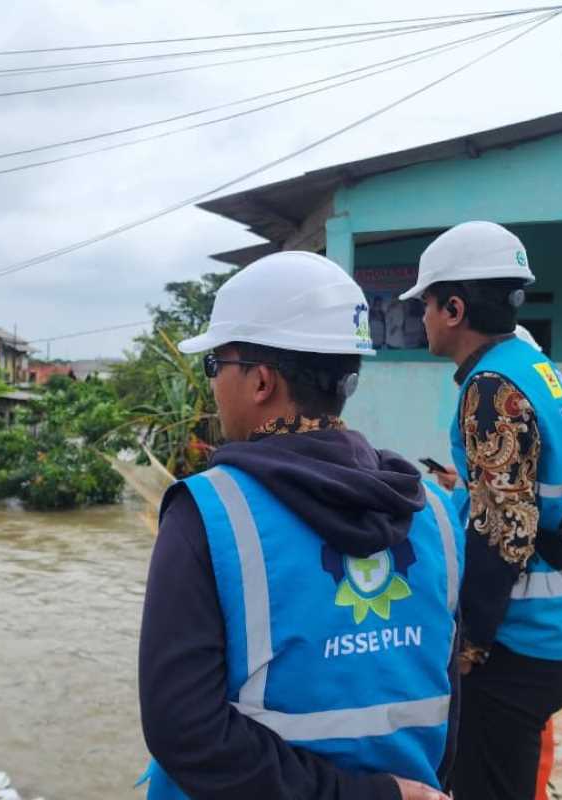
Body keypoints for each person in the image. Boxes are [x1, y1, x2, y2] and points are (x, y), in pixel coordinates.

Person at [138, 251, 463, 800]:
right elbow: (448, 692)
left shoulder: (207, 514)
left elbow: (183, 731)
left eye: (216, 366)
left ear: (261, 381)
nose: (213, 386)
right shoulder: (433, 510)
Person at [399, 221, 562, 800]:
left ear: (455, 307)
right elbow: (536, 488)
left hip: (517, 644)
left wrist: (467, 645)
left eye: (427, 304)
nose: (424, 318)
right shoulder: (540, 372)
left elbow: (504, 533)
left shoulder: (489, 389)